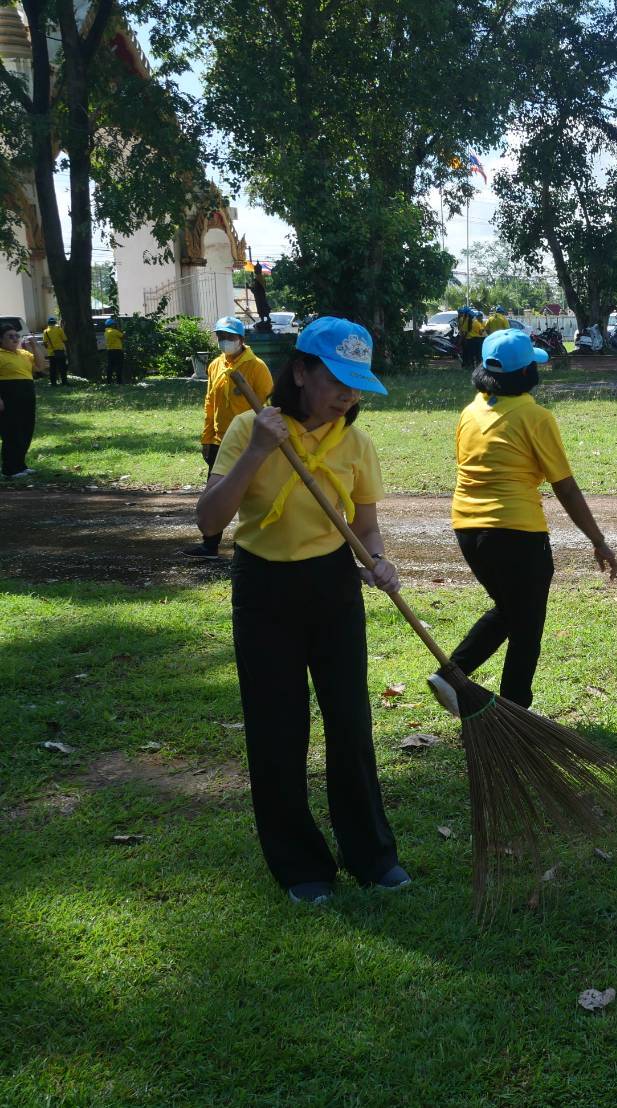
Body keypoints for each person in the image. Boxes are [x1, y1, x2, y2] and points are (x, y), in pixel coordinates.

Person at [195, 316, 408, 904]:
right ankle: (300, 866)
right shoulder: (248, 428)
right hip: (264, 590)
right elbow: (209, 521)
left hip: (334, 588)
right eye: (337, 379)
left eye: (357, 383)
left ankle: (371, 855)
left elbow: (366, 528)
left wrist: (378, 561)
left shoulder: (356, 443)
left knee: (351, 724)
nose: (348, 394)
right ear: (301, 371)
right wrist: (260, 449)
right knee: (277, 730)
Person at [428, 328, 617, 716]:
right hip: (517, 533)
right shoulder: (535, 416)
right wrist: (597, 539)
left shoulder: (470, 412)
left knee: (510, 611)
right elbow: (564, 486)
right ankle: (511, 710)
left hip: (467, 529)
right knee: (526, 628)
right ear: (526, 372)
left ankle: (456, 677)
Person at [183, 316, 274, 559]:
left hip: (249, 441)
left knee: (254, 492)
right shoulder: (215, 366)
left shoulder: (256, 366)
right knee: (216, 492)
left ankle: (255, 544)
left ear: (241, 339)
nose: (225, 342)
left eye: (229, 337)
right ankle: (209, 545)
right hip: (219, 441)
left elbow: (268, 403)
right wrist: (207, 437)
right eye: (221, 337)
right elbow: (210, 403)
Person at [0, 323, 38, 479]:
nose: (15, 339)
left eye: (17, 335)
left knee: (26, 430)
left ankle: (20, 465)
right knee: (12, 432)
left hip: (27, 395)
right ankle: (9, 469)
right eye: (10, 336)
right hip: (9, 395)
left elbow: (41, 367)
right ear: (0, 340)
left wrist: (34, 347)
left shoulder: (24, 354)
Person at [42, 316, 67, 386]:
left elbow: (44, 343)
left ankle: (53, 383)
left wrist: (48, 348)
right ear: (55, 322)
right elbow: (64, 339)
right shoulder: (59, 329)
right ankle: (64, 382)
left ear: (48, 323)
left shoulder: (45, 331)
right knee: (62, 367)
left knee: (52, 369)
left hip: (51, 353)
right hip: (60, 351)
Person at [104, 318, 126, 384]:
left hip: (109, 351)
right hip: (117, 351)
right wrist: (123, 331)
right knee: (119, 366)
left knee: (110, 366)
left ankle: (109, 381)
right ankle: (119, 382)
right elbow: (123, 336)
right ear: (112, 325)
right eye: (114, 324)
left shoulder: (106, 332)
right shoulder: (115, 331)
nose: (115, 325)